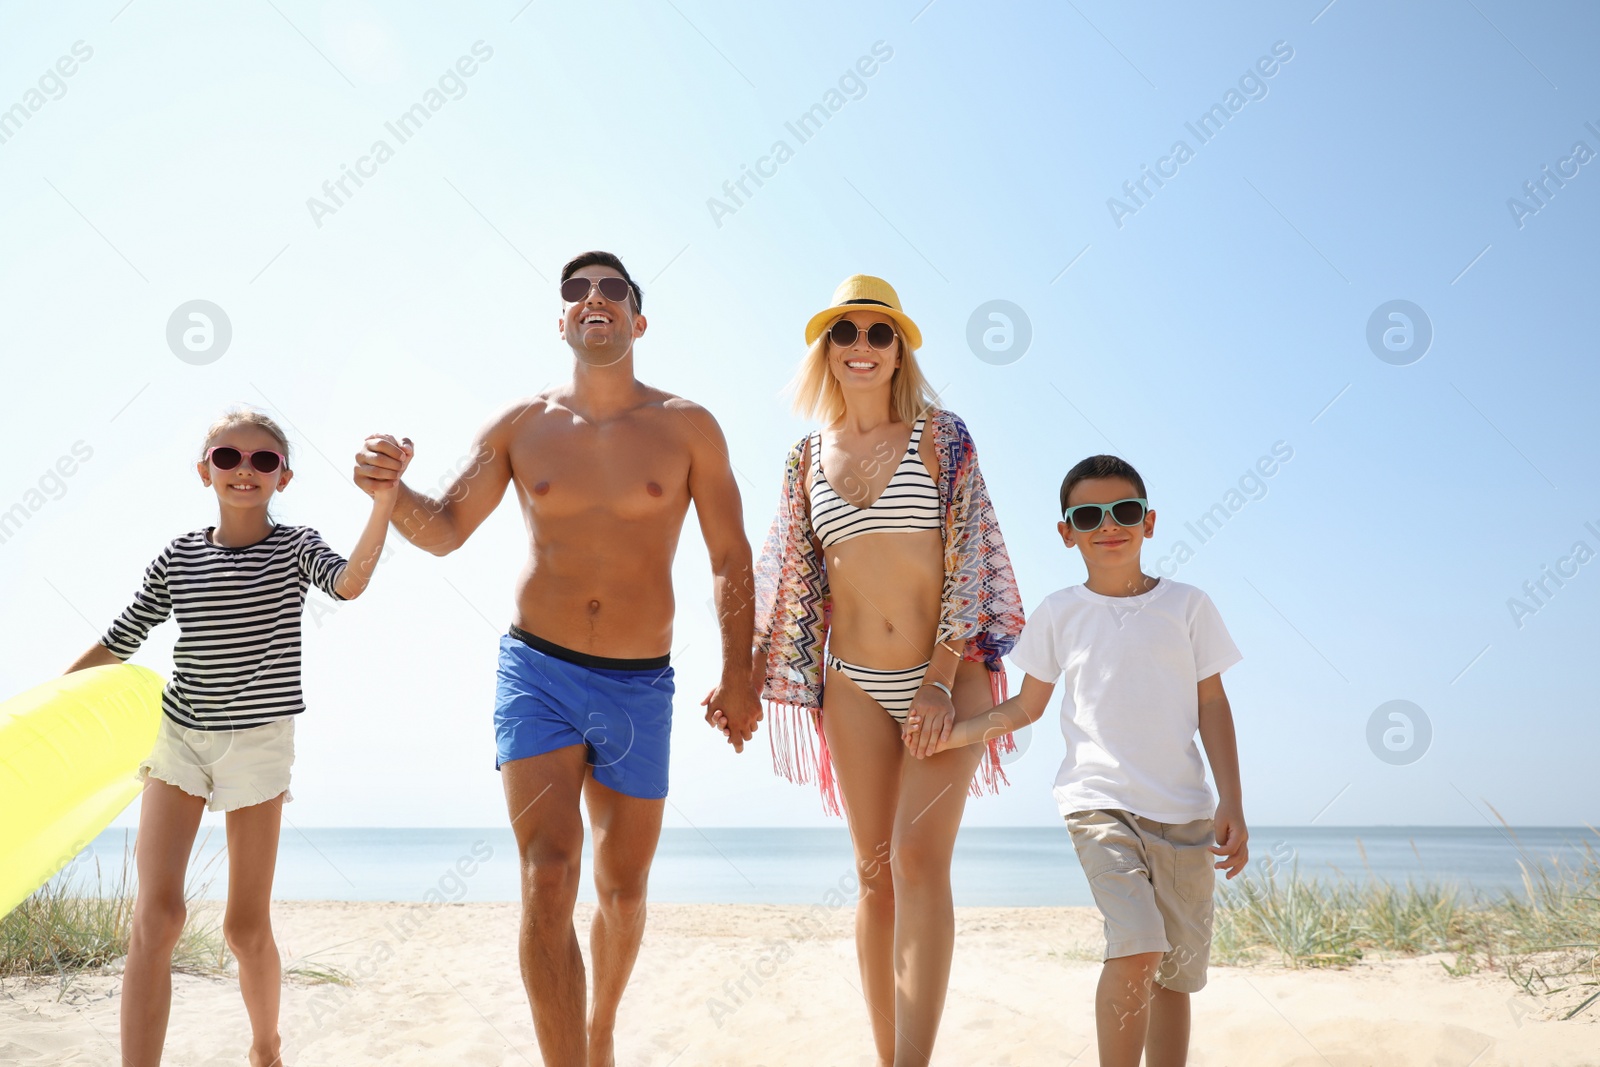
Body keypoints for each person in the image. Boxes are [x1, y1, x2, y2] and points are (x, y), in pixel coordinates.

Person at [352, 250, 761, 1067]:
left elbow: (729, 555)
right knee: (547, 877)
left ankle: (601, 1024)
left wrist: (739, 671)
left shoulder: (688, 425)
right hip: (536, 668)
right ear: (563, 320)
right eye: (576, 291)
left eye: (612, 289)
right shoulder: (521, 423)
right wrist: (389, 496)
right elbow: (445, 529)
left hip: (641, 681)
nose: (594, 298)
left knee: (623, 890)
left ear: (638, 321)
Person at [737, 274, 1024, 1066]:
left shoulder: (944, 437)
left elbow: (968, 563)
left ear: (900, 351)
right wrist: (742, 673)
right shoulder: (803, 459)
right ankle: (887, 1054)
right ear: (826, 349)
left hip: (948, 672)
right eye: (846, 332)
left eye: (878, 332)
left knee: (920, 860)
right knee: (873, 876)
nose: (861, 346)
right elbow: (788, 581)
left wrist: (938, 678)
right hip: (855, 683)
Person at [64, 408, 399, 1067]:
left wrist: (382, 504)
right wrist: (52, 698)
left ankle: (266, 1045)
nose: (244, 469)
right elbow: (124, 635)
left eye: (263, 461)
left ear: (284, 477)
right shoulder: (180, 555)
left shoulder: (296, 545)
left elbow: (349, 582)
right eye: (228, 457)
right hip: (181, 735)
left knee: (245, 930)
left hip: (260, 743)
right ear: (204, 470)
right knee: (155, 919)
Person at [925, 454, 1249, 1067]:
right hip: (1097, 804)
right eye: (1089, 515)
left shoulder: (1188, 606)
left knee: (1174, 973)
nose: (1109, 525)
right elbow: (1025, 707)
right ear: (1066, 531)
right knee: (1137, 945)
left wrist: (1231, 799)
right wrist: (955, 735)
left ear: (1149, 522)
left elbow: (1213, 704)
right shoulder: (1059, 613)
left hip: (1185, 813)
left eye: (1124, 511)